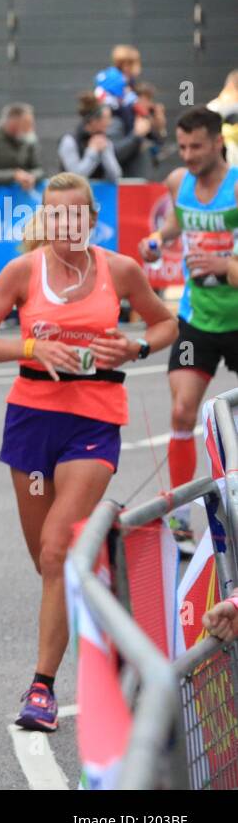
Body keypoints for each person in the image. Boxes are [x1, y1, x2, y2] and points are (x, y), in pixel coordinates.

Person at [0, 172, 176, 731]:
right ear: (44, 220)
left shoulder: (120, 270)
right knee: (47, 561)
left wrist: (136, 345)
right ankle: (102, 581)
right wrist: (31, 345)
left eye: (74, 215)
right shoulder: (21, 272)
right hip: (32, 421)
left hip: (95, 421)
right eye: (53, 215)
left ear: (91, 219)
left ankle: (42, 688)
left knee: (57, 548)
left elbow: (167, 322)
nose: (64, 225)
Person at [139, 108, 238, 552]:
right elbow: (177, 222)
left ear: (218, 141)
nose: (188, 154)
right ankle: (180, 516)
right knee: (182, 411)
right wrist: (159, 240)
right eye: (182, 147)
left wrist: (225, 265)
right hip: (197, 317)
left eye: (196, 146)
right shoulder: (180, 182)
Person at [58, 92, 122, 181]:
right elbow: (75, 177)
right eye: (106, 118)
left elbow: (115, 176)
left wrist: (105, 152)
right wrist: (92, 151)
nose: (109, 123)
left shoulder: (105, 141)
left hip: (100, 194)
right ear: (93, 121)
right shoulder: (69, 141)